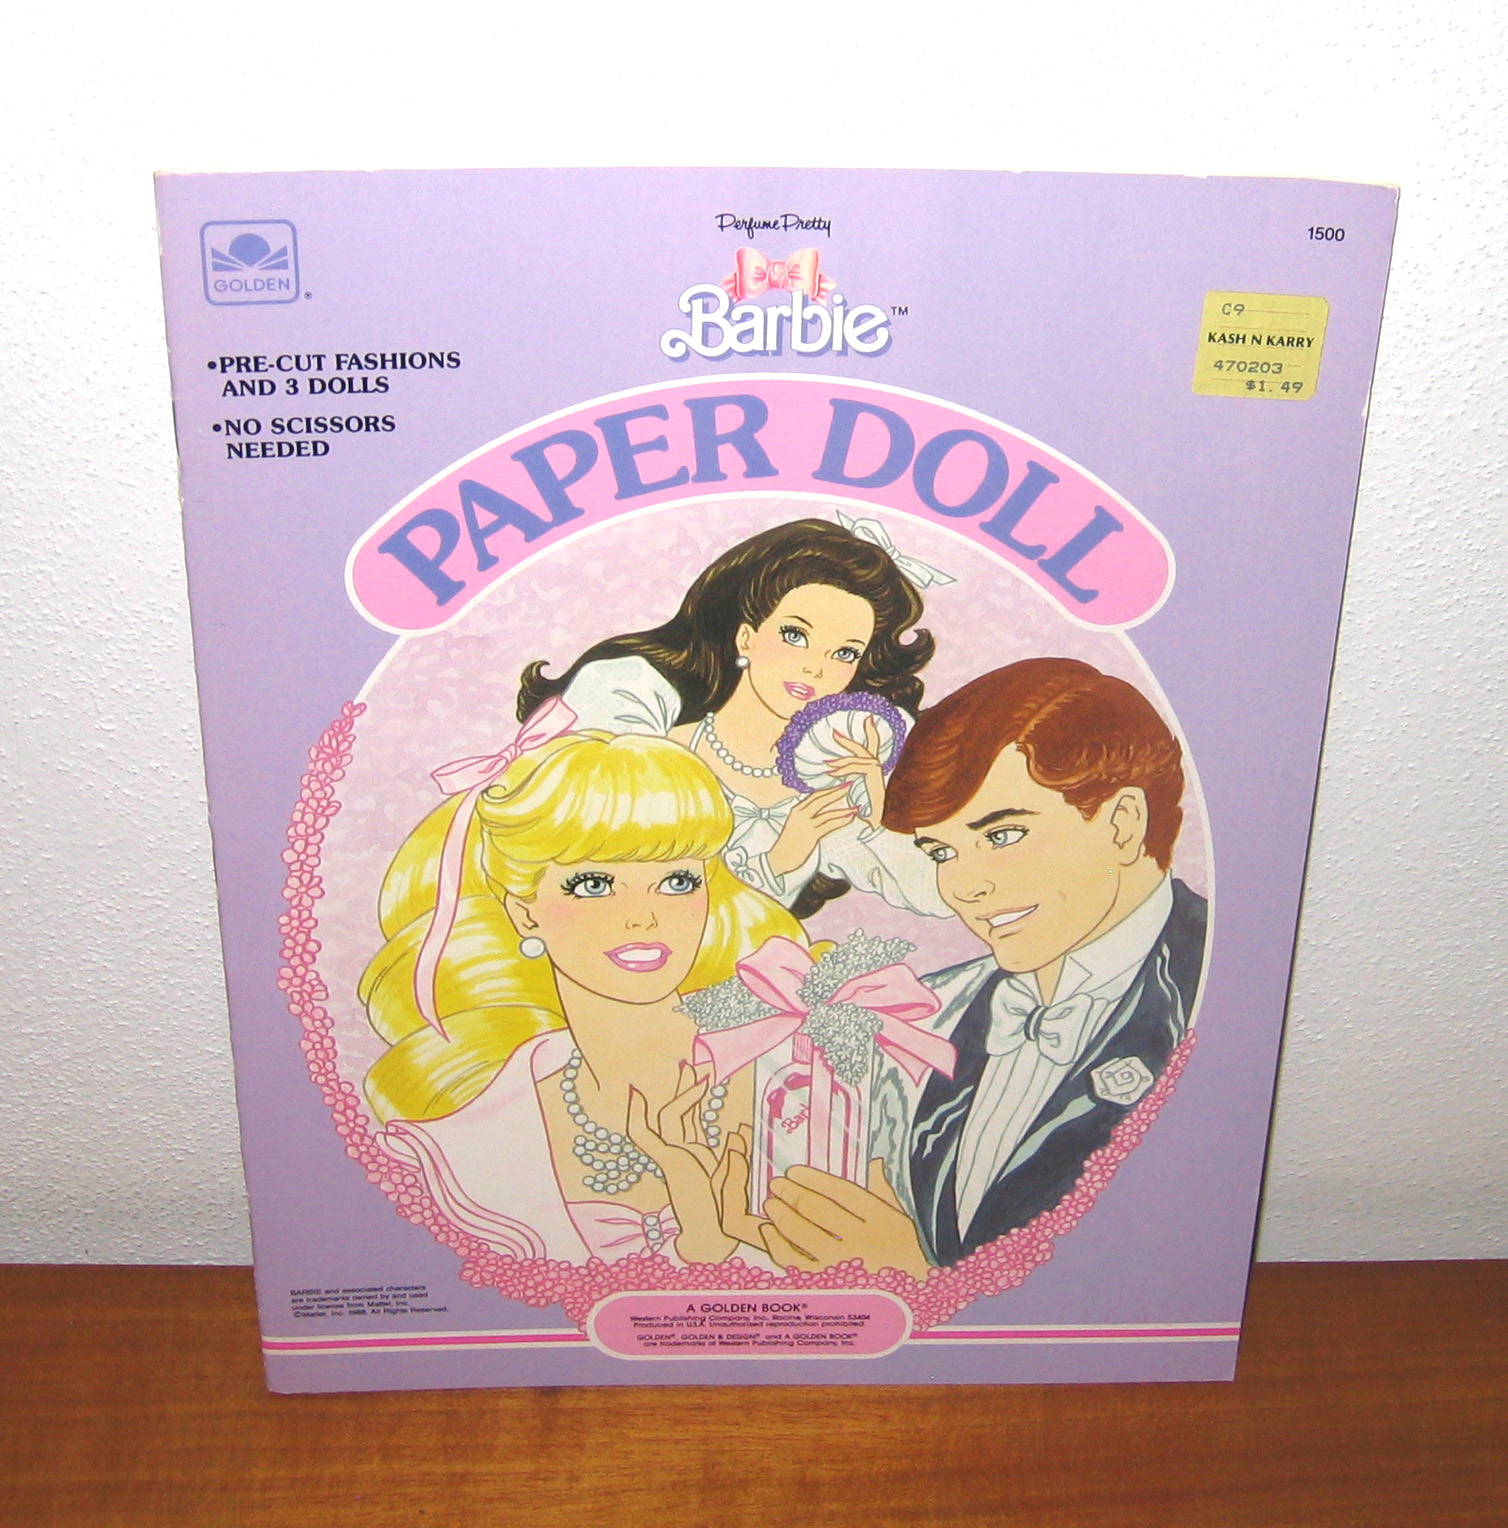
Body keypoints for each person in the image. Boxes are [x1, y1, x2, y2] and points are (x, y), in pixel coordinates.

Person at [751, 658, 1208, 1276]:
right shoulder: (931, 1010)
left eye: (1001, 836)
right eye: (942, 852)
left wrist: (919, 1276)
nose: (963, 887)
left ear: (1123, 824)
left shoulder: (1215, 986)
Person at [361, 720, 800, 1266]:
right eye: (594, 884)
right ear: (524, 912)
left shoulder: (797, 1072)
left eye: (677, 881)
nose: (643, 918)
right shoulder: (470, 1143)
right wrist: (702, 1242)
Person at [516, 516, 951, 921]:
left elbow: (950, 895)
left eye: (844, 653)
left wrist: (881, 820)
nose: (815, 668)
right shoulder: (646, 749)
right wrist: (782, 858)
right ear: (746, 637)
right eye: (795, 635)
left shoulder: (833, 783)